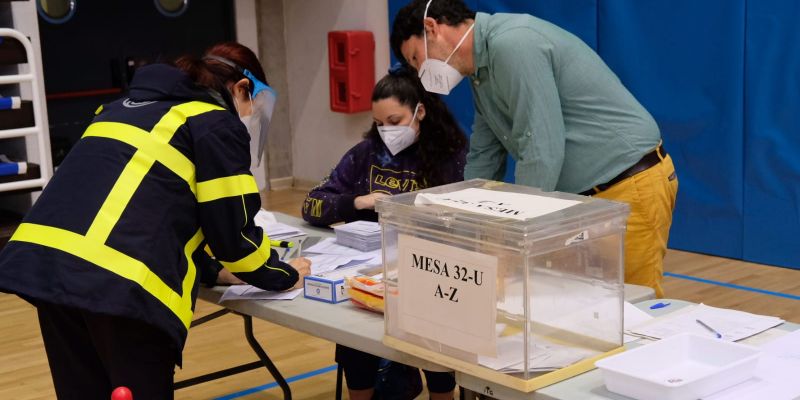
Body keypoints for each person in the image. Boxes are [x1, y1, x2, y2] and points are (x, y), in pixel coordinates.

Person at [0, 42, 311, 399]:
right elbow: (233, 234)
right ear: (242, 88)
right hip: (121, 289)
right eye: (251, 105)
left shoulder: (118, 109)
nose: (248, 116)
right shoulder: (213, 121)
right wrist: (282, 274)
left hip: (50, 270)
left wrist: (212, 272)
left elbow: (148, 213)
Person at [391, 0, 678, 297]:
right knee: (584, 309)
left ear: (432, 28)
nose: (421, 72)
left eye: (416, 58)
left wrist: (516, 231)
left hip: (628, 183)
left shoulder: (513, 44)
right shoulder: (481, 73)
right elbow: (484, 156)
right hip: (582, 199)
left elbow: (541, 147)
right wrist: (459, 222)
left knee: (632, 307)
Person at [302, 66, 466, 400]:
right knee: (353, 333)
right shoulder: (366, 154)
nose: (386, 131)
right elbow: (312, 205)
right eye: (378, 123)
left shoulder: (452, 157)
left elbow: (467, 221)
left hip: (430, 273)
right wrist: (357, 202)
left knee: (435, 342)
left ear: (419, 111)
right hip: (369, 275)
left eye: (394, 121)